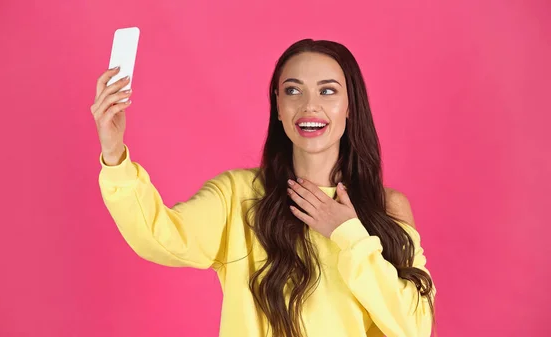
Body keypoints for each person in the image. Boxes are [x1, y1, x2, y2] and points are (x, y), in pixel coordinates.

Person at [90, 38, 436, 337]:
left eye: (327, 91)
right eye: (293, 91)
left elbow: (413, 326)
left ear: (349, 106)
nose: (309, 106)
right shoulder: (238, 195)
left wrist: (348, 234)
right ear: (279, 107)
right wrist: (114, 153)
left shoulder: (386, 206)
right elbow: (159, 237)